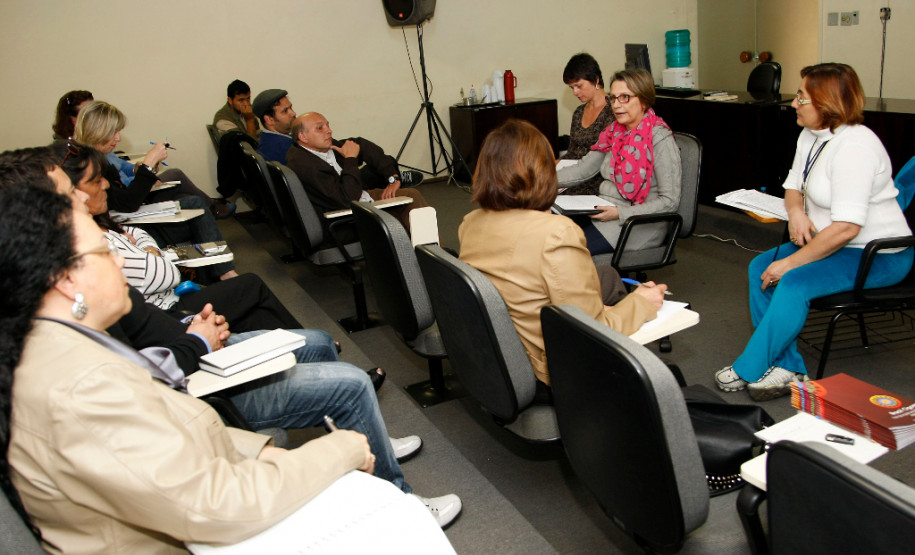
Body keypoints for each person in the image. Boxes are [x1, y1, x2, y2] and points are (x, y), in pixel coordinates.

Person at [0, 145, 459, 529]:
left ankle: (368, 441)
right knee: (349, 382)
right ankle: (396, 495)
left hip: (200, 401)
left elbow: (181, 441)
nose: (118, 262)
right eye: (103, 253)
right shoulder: (80, 385)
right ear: (62, 277)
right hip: (209, 464)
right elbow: (210, 501)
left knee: (314, 341)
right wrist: (336, 451)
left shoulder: (67, 341)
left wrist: (260, 450)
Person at [715, 63, 914, 401]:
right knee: (759, 269)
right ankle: (787, 365)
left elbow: (848, 227)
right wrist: (795, 213)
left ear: (827, 102)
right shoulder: (811, 134)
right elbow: (793, 185)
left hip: (876, 254)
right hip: (832, 243)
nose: (795, 103)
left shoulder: (856, 147)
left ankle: (750, 367)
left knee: (791, 280)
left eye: (803, 98)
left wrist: (790, 264)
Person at [459, 119, 666, 390]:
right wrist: (642, 303)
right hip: (547, 369)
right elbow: (591, 333)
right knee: (658, 369)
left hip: (503, 353)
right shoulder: (556, 234)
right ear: (543, 171)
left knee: (604, 276)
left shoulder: (471, 223)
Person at [557, 68, 681, 255]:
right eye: (613, 98)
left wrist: (620, 213)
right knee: (552, 234)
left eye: (625, 97)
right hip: (603, 212)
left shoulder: (660, 139)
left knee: (568, 253)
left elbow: (669, 202)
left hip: (636, 224)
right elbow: (583, 169)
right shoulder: (614, 132)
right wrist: (542, 181)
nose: (616, 104)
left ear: (644, 100)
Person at [74, 100, 236, 219]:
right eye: (113, 132)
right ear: (99, 132)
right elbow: (127, 201)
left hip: (135, 192)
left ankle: (216, 254)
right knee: (189, 194)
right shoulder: (93, 166)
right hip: (133, 206)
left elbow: (123, 170)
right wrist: (148, 166)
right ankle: (213, 209)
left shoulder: (103, 154)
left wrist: (141, 170)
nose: (118, 138)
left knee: (188, 198)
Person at [285, 112, 428, 232]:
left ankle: (434, 252)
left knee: (411, 196)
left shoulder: (322, 147)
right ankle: (431, 256)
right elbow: (347, 200)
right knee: (405, 215)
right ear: (302, 137)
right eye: (320, 128)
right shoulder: (305, 165)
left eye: (328, 125)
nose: (328, 130)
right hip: (344, 216)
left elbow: (361, 145)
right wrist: (351, 159)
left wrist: (393, 178)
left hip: (360, 198)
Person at [559, 53, 612, 196]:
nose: (575, 92)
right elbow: (572, 153)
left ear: (595, 79)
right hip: (573, 179)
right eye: (572, 88)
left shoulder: (614, 111)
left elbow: (598, 164)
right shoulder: (579, 112)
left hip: (596, 183)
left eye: (579, 86)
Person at [253, 88, 297, 163]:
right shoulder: (288, 148)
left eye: (291, 108)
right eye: (285, 111)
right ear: (269, 120)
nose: (293, 113)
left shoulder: (265, 138)